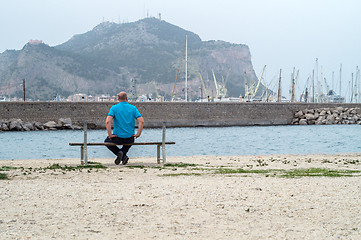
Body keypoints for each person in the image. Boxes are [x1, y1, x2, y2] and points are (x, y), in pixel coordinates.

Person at [104, 92, 144, 165]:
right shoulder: (133, 108)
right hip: (129, 137)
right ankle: (123, 156)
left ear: (118, 99)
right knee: (129, 141)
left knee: (107, 141)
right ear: (127, 98)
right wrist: (138, 134)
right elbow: (141, 121)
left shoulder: (114, 108)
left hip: (117, 137)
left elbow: (108, 122)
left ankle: (120, 153)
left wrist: (110, 135)